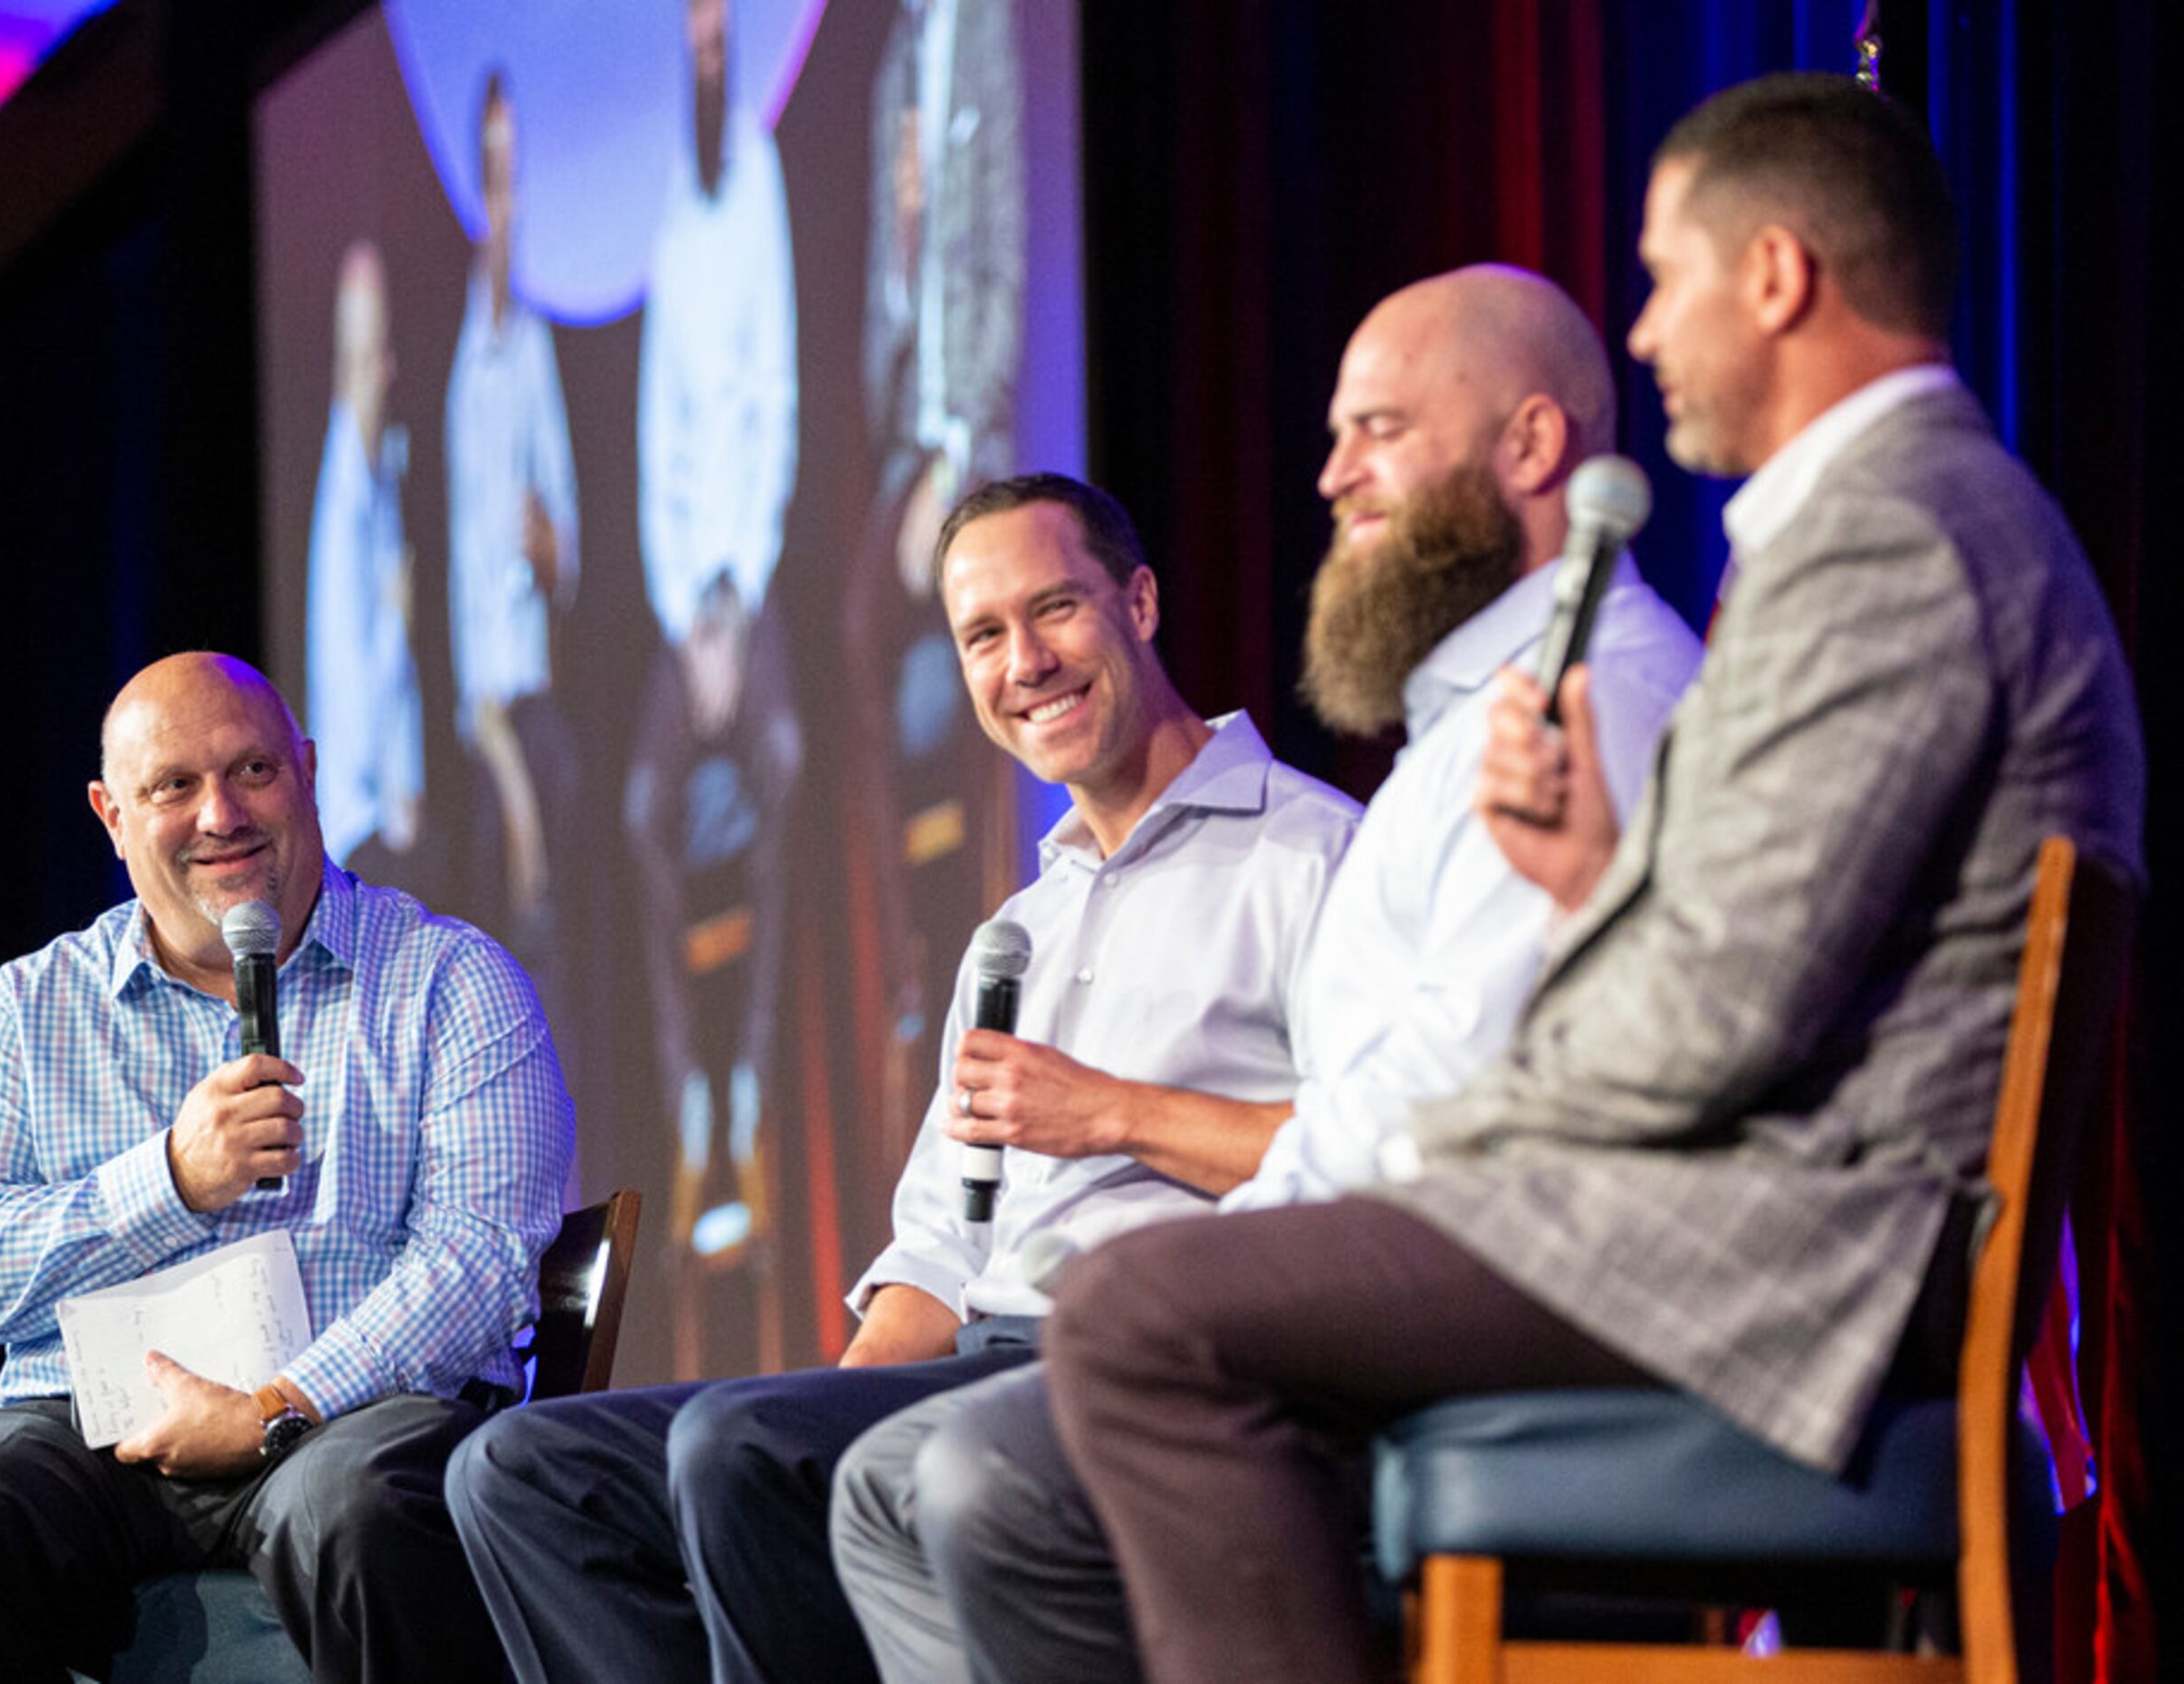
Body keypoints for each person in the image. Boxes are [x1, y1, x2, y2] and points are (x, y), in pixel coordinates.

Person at [1039, 72, 2146, 1684]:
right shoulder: (1886, 525)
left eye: (1660, 278)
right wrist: (1599, 876)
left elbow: (1719, 1017)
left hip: (1791, 1248)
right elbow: (1765, 950)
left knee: (1141, 1316)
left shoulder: (1892, 537)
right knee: (1151, 1309)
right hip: (1765, 1206)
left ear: (1771, 275)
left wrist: (1455, 1141)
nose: (1640, 335)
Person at [827, 265, 1702, 1684]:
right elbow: (939, 1239)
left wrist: (1159, 1178)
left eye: (1379, 430)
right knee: (811, 1466)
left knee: (1035, 1401)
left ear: (1533, 447)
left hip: (1502, 1293)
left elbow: (1463, 1112)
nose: (1334, 473)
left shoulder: (1565, 715)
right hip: (1316, 1272)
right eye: (981, 635)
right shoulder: (1456, 735)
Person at [444, 473, 1362, 1684]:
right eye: (983, 634)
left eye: (1056, 611)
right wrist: (821, 1422)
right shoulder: (1016, 930)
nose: (1023, 660)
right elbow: (939, 1251)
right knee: (522, 1470)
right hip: (976, 1355)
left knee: (732, 1447)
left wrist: (1113, 1115)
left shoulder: (1312, 853)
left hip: (1148, 1363)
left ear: (1139, 602)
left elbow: (1382, 1148)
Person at [0, 652, 573, 1681]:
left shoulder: (449, 982)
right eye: (173, 787)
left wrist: (272, 1405)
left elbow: (479, 1261)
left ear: (309, 772)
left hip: (344, 1422)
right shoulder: (30, 1010)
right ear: (112, 816)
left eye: (253, 772)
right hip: (93, 1439)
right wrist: (169, 1182)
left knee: (361, 1502)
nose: (220, 815)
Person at [629, 0, 805, 1253]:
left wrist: (739, 592)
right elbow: (659, 429)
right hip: (680, 599)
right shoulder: (666, 216)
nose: (702, 61)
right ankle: (690, 1084)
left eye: (712, 44)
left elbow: (770, 389)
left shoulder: (761, 178)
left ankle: (751, 1071)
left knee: (784, 763)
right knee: (646, 808)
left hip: (754, 572)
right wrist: (683, 610)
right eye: (684, 47)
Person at [843, 0, 1030, 1168]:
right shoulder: (898, 59)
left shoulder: (992, 32)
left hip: (977, 430)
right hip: (905, 421)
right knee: (858, 644)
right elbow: (889, 262)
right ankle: (914, 962)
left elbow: (1002, 248)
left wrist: (961, 445)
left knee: (972, 659)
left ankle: (1000, 912)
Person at [446, 67, 585, 1059]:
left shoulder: (531, 345)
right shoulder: (454, 363)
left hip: (537, 706)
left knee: (557, 957)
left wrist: (550, 551)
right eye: (490, 170)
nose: (505, 195)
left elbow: (563, 545)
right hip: (484, 730)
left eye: (514, 172)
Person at [306, 239, 425, 881]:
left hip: (393, 820)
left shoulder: (383, 486)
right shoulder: (344, 512)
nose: (381, 373)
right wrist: (397, 620)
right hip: (362, 833)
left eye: (381, 352)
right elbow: (353, 695)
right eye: (363, 356)